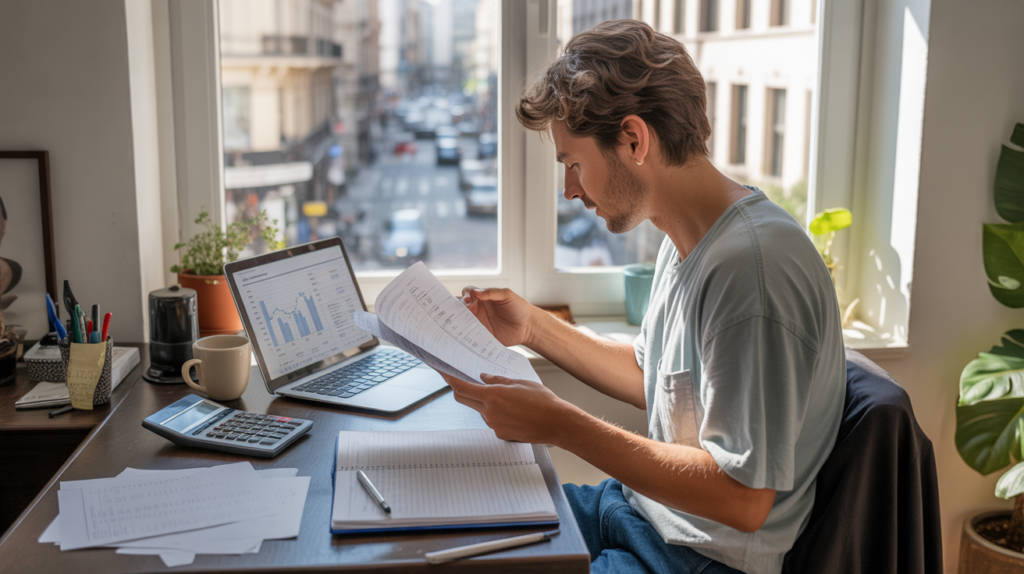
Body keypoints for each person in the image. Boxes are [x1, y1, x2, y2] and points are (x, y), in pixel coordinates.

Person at [439, 19, 846, 574]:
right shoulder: (687, 238)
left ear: (634, 139)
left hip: (695, 558)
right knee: (448, 527)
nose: (570, 190)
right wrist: (531, 327)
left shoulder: (752, 270)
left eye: (574, 164)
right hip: (637, 513)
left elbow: (743, 499)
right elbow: (652, 377)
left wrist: (558, 423)